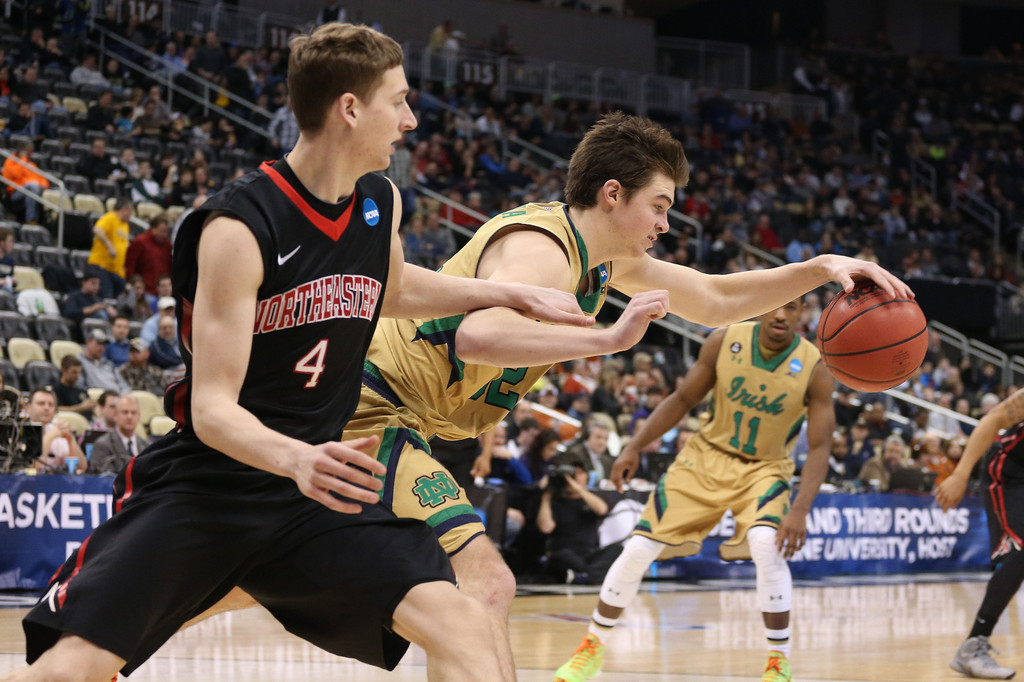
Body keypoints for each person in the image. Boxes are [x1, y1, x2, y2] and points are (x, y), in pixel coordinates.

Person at [200, 112, 909, 681]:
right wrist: (604, 342)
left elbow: (719, 299)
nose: (667, 222)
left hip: (420, 426)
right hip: (376, 409)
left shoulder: (607, 262)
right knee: (486, 583)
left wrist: (820, 268)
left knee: (271, 567)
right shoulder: (545, 244)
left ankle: (110, 620)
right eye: (659, 204)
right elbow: (480, 336)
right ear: (612, 194)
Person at [7, 23, 590, 682]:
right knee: (72, 668)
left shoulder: (379, 200)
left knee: (464, 628)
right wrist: (299, 459)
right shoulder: (236, 227)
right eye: (397, 101)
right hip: (214, 486)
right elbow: (214, 410)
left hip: (314, 497)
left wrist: (508, 292)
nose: (410, 119)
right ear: (349, 108)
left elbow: (391, 287)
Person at [554, 298, 836, 682]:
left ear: (805, 313)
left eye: (794, 307)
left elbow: (820, 447)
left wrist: (800, 510)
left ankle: (778, 662)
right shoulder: (724, 341)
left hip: (765, 469)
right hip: (704, 458)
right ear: (762, 306)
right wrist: (635, 445)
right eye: (776, 305)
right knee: (638, 547)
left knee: (765, 546)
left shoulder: (816, 367)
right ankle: (591, 648)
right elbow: (683, 399)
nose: (782, 314)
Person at [936, 387, 1024, 680]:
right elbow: (994, 417)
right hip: (1010, 471)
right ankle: (973, 648)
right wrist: (961, 474)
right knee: (1020, 552)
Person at [537, 461, 621, 585]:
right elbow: (545, 527)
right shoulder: (554, 502)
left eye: (579, 474)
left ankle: (584, 575)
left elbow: (601, 509)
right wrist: (546, 497)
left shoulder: (590, 499)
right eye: (571, 474)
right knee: (560, 556)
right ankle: (591, 576)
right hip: (563, 553)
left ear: (587, 477)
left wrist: (579, 489)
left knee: (617, 549)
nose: (574, 478)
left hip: (589, 554)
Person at [25, 388, 88, 475]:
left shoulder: (58, 429)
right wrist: (49, 437)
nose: (47, 408)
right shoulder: (17, 431)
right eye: (41, 403)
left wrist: (71, 440)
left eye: (51, 405)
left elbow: (82, 467)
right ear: (28, 407)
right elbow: (30, 467)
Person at [87, 393, 149, 475]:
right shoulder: (102, 445)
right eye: (125, 412)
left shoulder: (147, 446)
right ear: (115, 415)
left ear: (138, 416)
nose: (129, 416)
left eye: (133, 413)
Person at [87, 197, 133, 299]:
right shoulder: (110, 217)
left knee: (124, 298)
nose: (131, 215)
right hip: (102, 266)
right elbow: (97, 229)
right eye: (130, 211)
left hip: (117, 270)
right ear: (125, 209)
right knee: (107, 299)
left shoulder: (125, 225)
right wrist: (109, 246)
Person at [1, 140, 49, 225]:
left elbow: (43, 179)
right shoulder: (10, 162)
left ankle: (46, 222)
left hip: (32, 191)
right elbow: (17, 174)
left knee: (33, 190)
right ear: (22, 152)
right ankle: (31, 220)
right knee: (33, 186)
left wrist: (43, 185)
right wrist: (23, 159)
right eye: (29, 152)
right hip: (15, 194)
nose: (31, 154)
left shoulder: (31, 164)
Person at [123, 214, 172, 296]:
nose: (165, 234)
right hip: (146, 291)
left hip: (163, 291)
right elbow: (130, 266)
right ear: (153, 228)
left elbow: (170, 266)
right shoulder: (140, 242)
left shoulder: (167, 244)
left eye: (166, 231)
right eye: (162, 231)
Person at [77, 329, 130, 394]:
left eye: (103, 344)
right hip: (98, 399)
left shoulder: (109, 363)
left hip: (117, 398)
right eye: (99, 344)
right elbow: (79, 387)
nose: (101, 348)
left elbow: (124, 386)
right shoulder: (79, 362)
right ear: (88, 342)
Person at [54, 355, 97, 420]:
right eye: (74, 372)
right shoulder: (56, 390)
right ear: (64, 370)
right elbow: (56, 409)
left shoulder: (81, 390)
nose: (77, 376)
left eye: (79, 372)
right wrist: (80, 408)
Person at [0, 227, 18, 293]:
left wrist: (14, 281)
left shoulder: (9, 260)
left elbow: (12, 279)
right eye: (10, 241)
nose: (12, 245)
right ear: (1, 243)